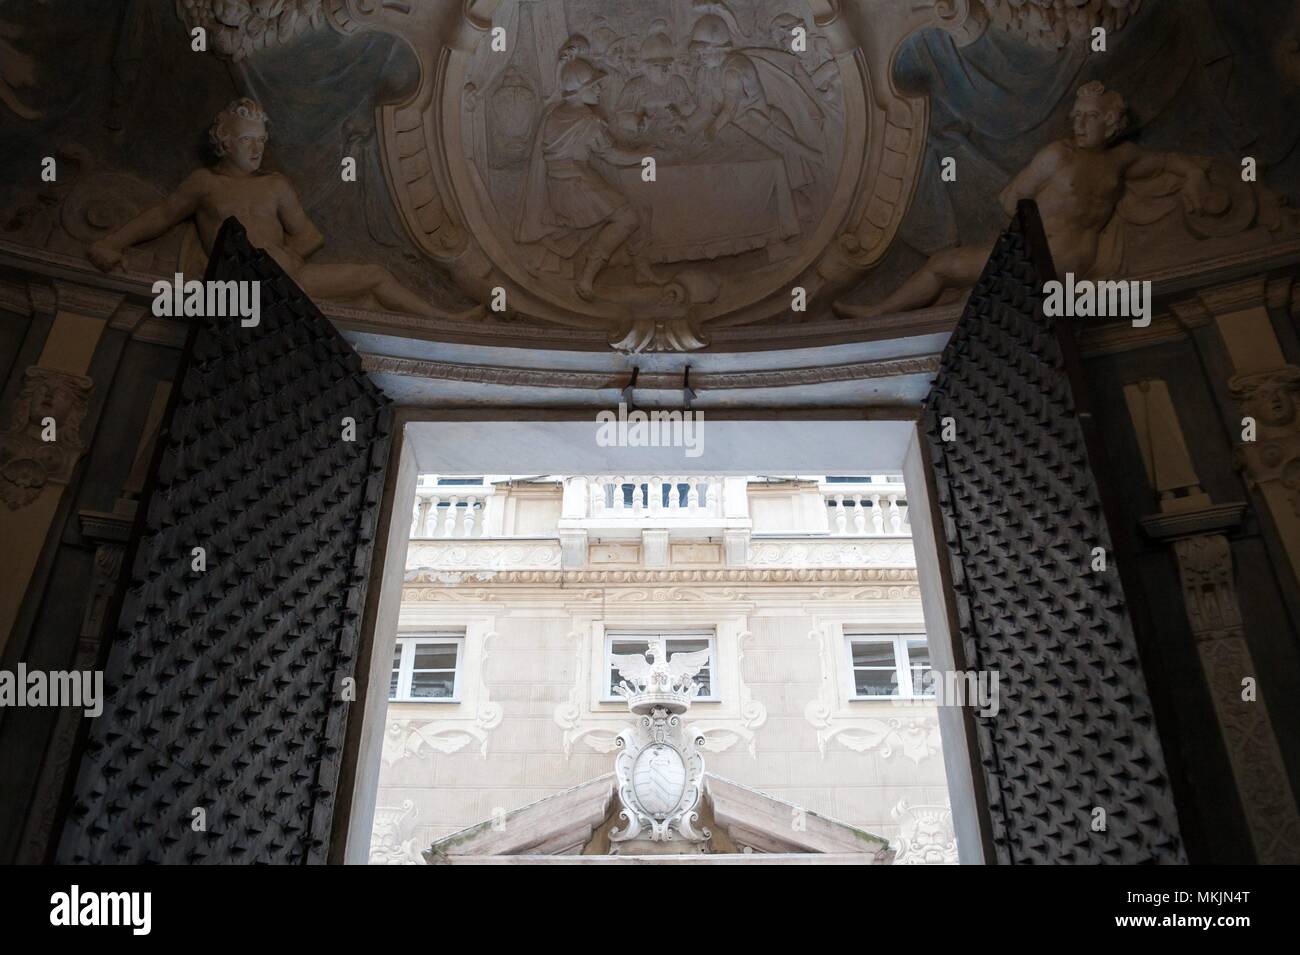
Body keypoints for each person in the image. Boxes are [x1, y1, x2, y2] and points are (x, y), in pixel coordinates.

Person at [839, 82, 1217, 318]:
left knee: (958, 279)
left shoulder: (1122, 158)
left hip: (1058, 263)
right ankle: (881, 313)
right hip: (1038, 256)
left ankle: (888, 312)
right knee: (943, 265)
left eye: (1090, 117)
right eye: (1077, 116)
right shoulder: (1059, 155)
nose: (1080, 124)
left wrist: (1196, 175)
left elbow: (1169, 161)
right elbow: (1010, 201)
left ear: (1112, 123)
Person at [87, 98, 441, 317]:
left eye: (261, 140)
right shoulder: (205, 184)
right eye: (246, 141)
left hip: (285, 276)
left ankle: (439, 320)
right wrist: (112, 243)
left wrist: (283, 254)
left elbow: (308, 235)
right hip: (239, 283)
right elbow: (161, 215)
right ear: (224, 143)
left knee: (374, 275)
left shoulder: (275, 186)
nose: (256, 150)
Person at [516, 59, 648, 300]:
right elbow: (614, 156)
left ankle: (641, 270)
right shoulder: (589, 122)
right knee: (628, 218)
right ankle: (587, 278)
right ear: (579, 91)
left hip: (559, 188)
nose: (599, 89)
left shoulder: (552, 115)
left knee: (621, 202)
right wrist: (648, 155)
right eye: (594, 86)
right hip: (577, 189)